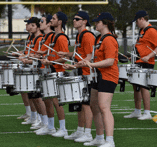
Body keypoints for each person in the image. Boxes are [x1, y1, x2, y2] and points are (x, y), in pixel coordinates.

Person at [77, 12, 119, 147]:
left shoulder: (109, 39)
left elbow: (110, 61)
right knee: (94, 106)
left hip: (108, 76)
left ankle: (110, 140)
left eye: (98, 22)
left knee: (104, 107)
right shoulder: (99, 38)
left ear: (105, 23)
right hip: (97, 75)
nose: (95, 24)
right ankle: (99, 137)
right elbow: (94, 59)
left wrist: (92, 65)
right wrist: (75, 64)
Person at [58, 11, 94, 142]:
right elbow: (78, 53)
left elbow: (89, 56)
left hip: (87, 74)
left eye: (77, 19)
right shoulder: (79, 35)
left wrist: (75, 66)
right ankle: (80, 130)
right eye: (73, 19)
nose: (74, 21)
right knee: (79, 102)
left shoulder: (88, 35)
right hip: (80, 72)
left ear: (84, 21)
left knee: (86, 104)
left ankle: (88, 133)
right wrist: (67, 54)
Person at [123, 10, 157, 120]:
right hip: (138, 62)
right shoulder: (142, 31)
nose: (136, 23)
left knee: (144, 87)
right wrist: (134, 57)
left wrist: (149, 56)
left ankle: (147, 112)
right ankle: (137, 111)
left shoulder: (151, 31)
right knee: (136, 87)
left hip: (147, 63)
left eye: (137, 21)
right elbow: (142, 47)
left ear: (142, 19)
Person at [38, 11, 69, 137]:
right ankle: (50, 126)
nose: (51, 21)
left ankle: (63, 128)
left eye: (54, 19)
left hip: (58, 71)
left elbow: (65, 57)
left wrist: (51, 62)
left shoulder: (61, 37)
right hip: (50, 70)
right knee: (48, 99)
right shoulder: (53, 37)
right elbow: (49, 53)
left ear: (60, 22)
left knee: (57, 102)